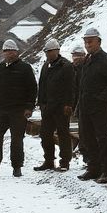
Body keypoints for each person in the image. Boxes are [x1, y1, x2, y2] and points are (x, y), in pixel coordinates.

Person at [0, 39, 37, 178]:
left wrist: (29, 107)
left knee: (17, 139)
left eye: (11, 50)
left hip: (19, 110)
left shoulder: (25, 68)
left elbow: (32, 89)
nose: (8, 53)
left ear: (16, 52)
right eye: (5, 51)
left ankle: (17, 167)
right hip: (1, 109)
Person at [76, 27, 107, 184]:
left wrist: (101, 100)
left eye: (90, 41)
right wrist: (80, 105)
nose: (87, 44)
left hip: (100, 108)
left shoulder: (105, 60)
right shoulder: (88, 59)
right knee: (88, 139)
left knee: (103, 138)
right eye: (86, 42)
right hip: (86, 107)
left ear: (98, 42)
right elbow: (83, 85)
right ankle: (93, 168)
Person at [34, 38, 76, 172]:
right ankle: (48, 160)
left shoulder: (66, 66)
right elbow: (42, 85)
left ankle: (65, 162)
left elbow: (71, 87)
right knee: (45, 134)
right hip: (47, 107)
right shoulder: (46, 66)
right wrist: (41, 103)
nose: (48, 54)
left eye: (50, 51)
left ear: (57, 51)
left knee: (63, 134)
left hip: (61, 108)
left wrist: (68, 104)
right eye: (46, 52)